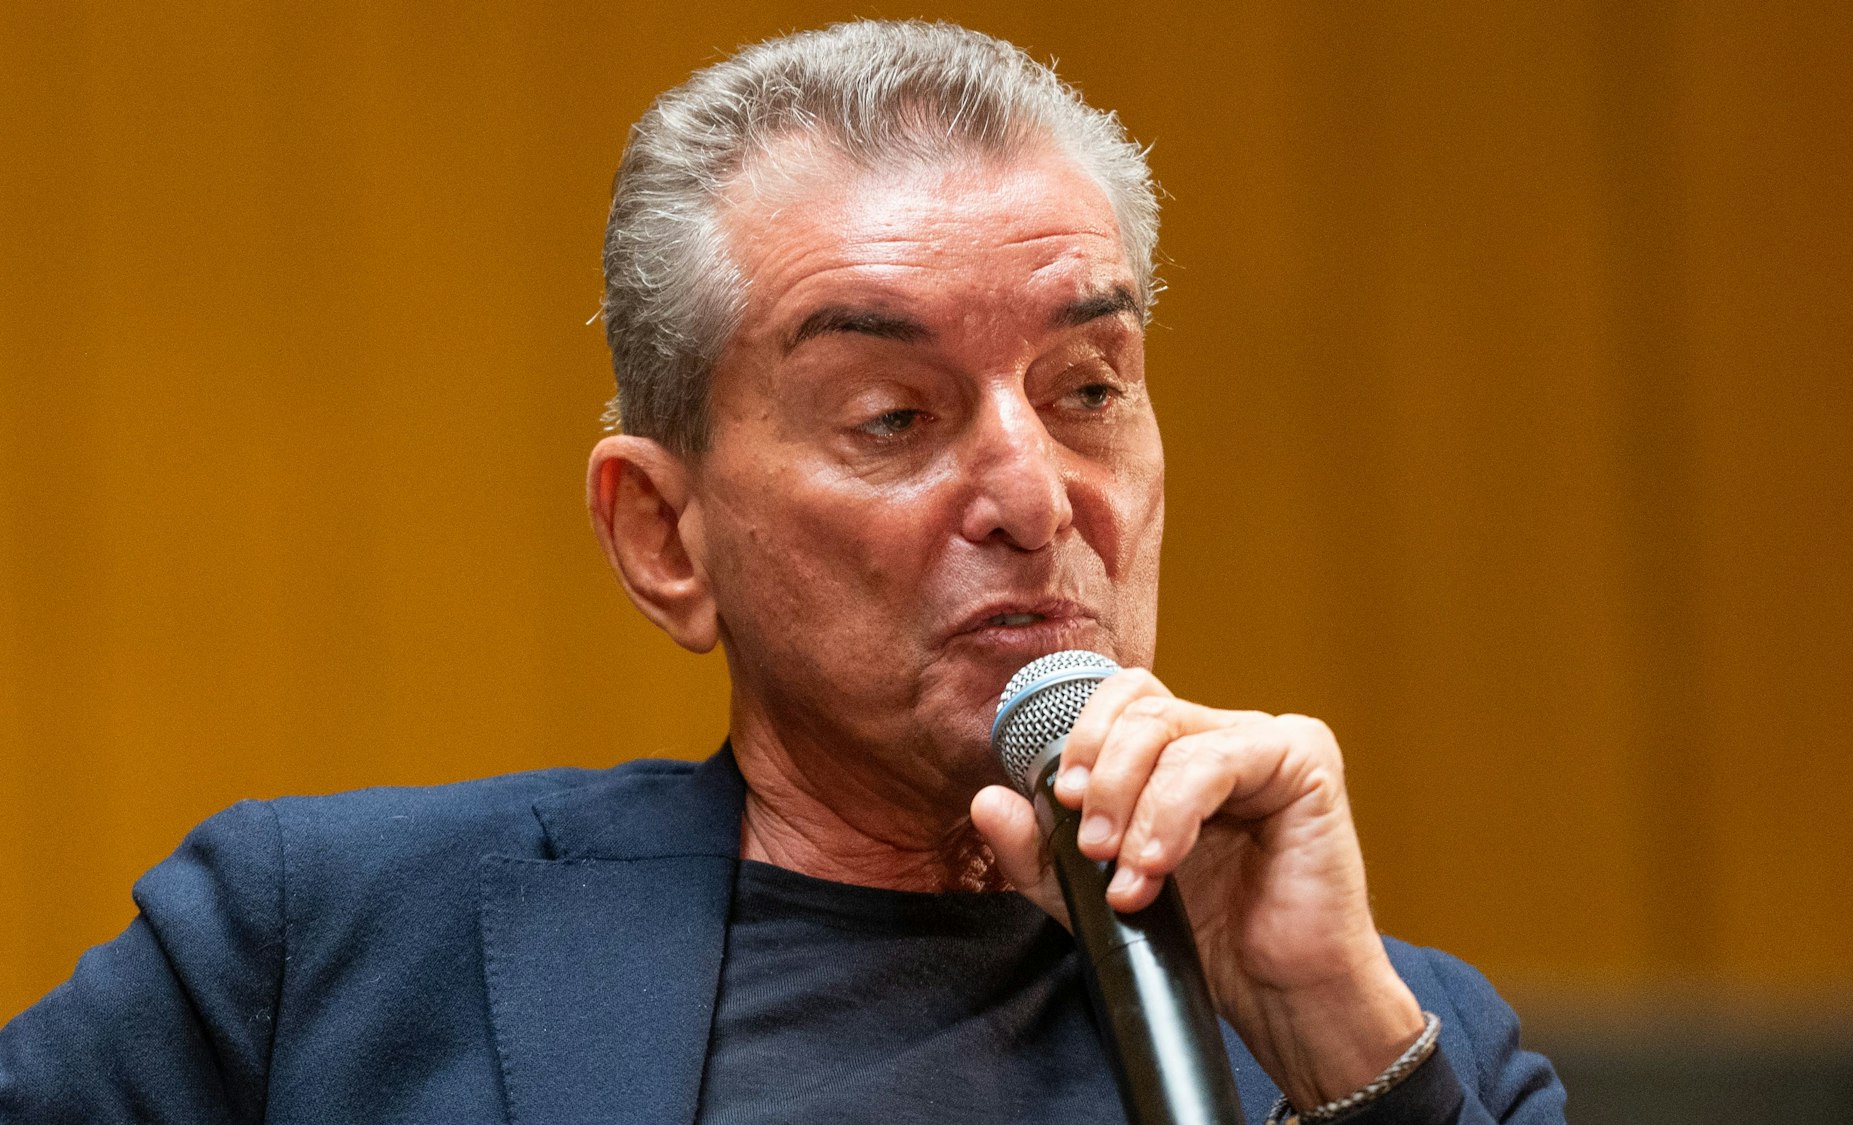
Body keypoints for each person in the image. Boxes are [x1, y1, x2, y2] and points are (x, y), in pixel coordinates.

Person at [0, 20, 1565, 1125]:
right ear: (663, 538)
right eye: (895, 415)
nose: (1036, 494)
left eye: (1089, 389)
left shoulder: (1407, 1046)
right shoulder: (313, 952)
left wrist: (1345, 1054)